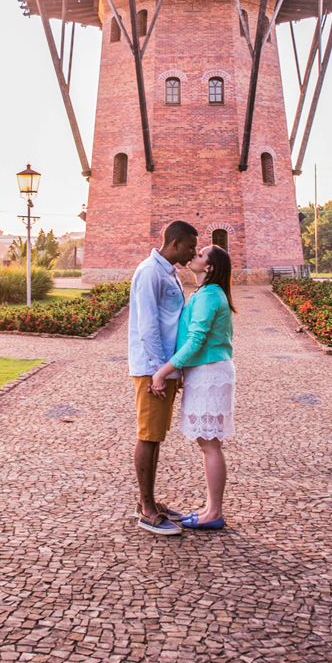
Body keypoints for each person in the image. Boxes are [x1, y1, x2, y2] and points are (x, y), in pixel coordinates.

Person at [150, 244, 235, 531]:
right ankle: (212, 508)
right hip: (205, 370)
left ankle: (214, 512)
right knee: (207, 443)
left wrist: (164, 371)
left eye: (200, 255)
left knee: (210, 444)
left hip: (210, 371)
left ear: (209, 267)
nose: (194, 256)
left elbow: (196, 340)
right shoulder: (206, 293)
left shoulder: (210, 295)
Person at [128, 220, 199, 535]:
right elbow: (148, 326)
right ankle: (146, 509)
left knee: (155, 435)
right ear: (175, 243)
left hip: (162, 368)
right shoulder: (150, 272)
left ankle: (151, 502)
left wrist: (172, 369)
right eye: (191, 246)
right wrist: (160, 371)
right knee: (148, 434)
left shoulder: (167, 272)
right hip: (151, 369)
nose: (193, 252)